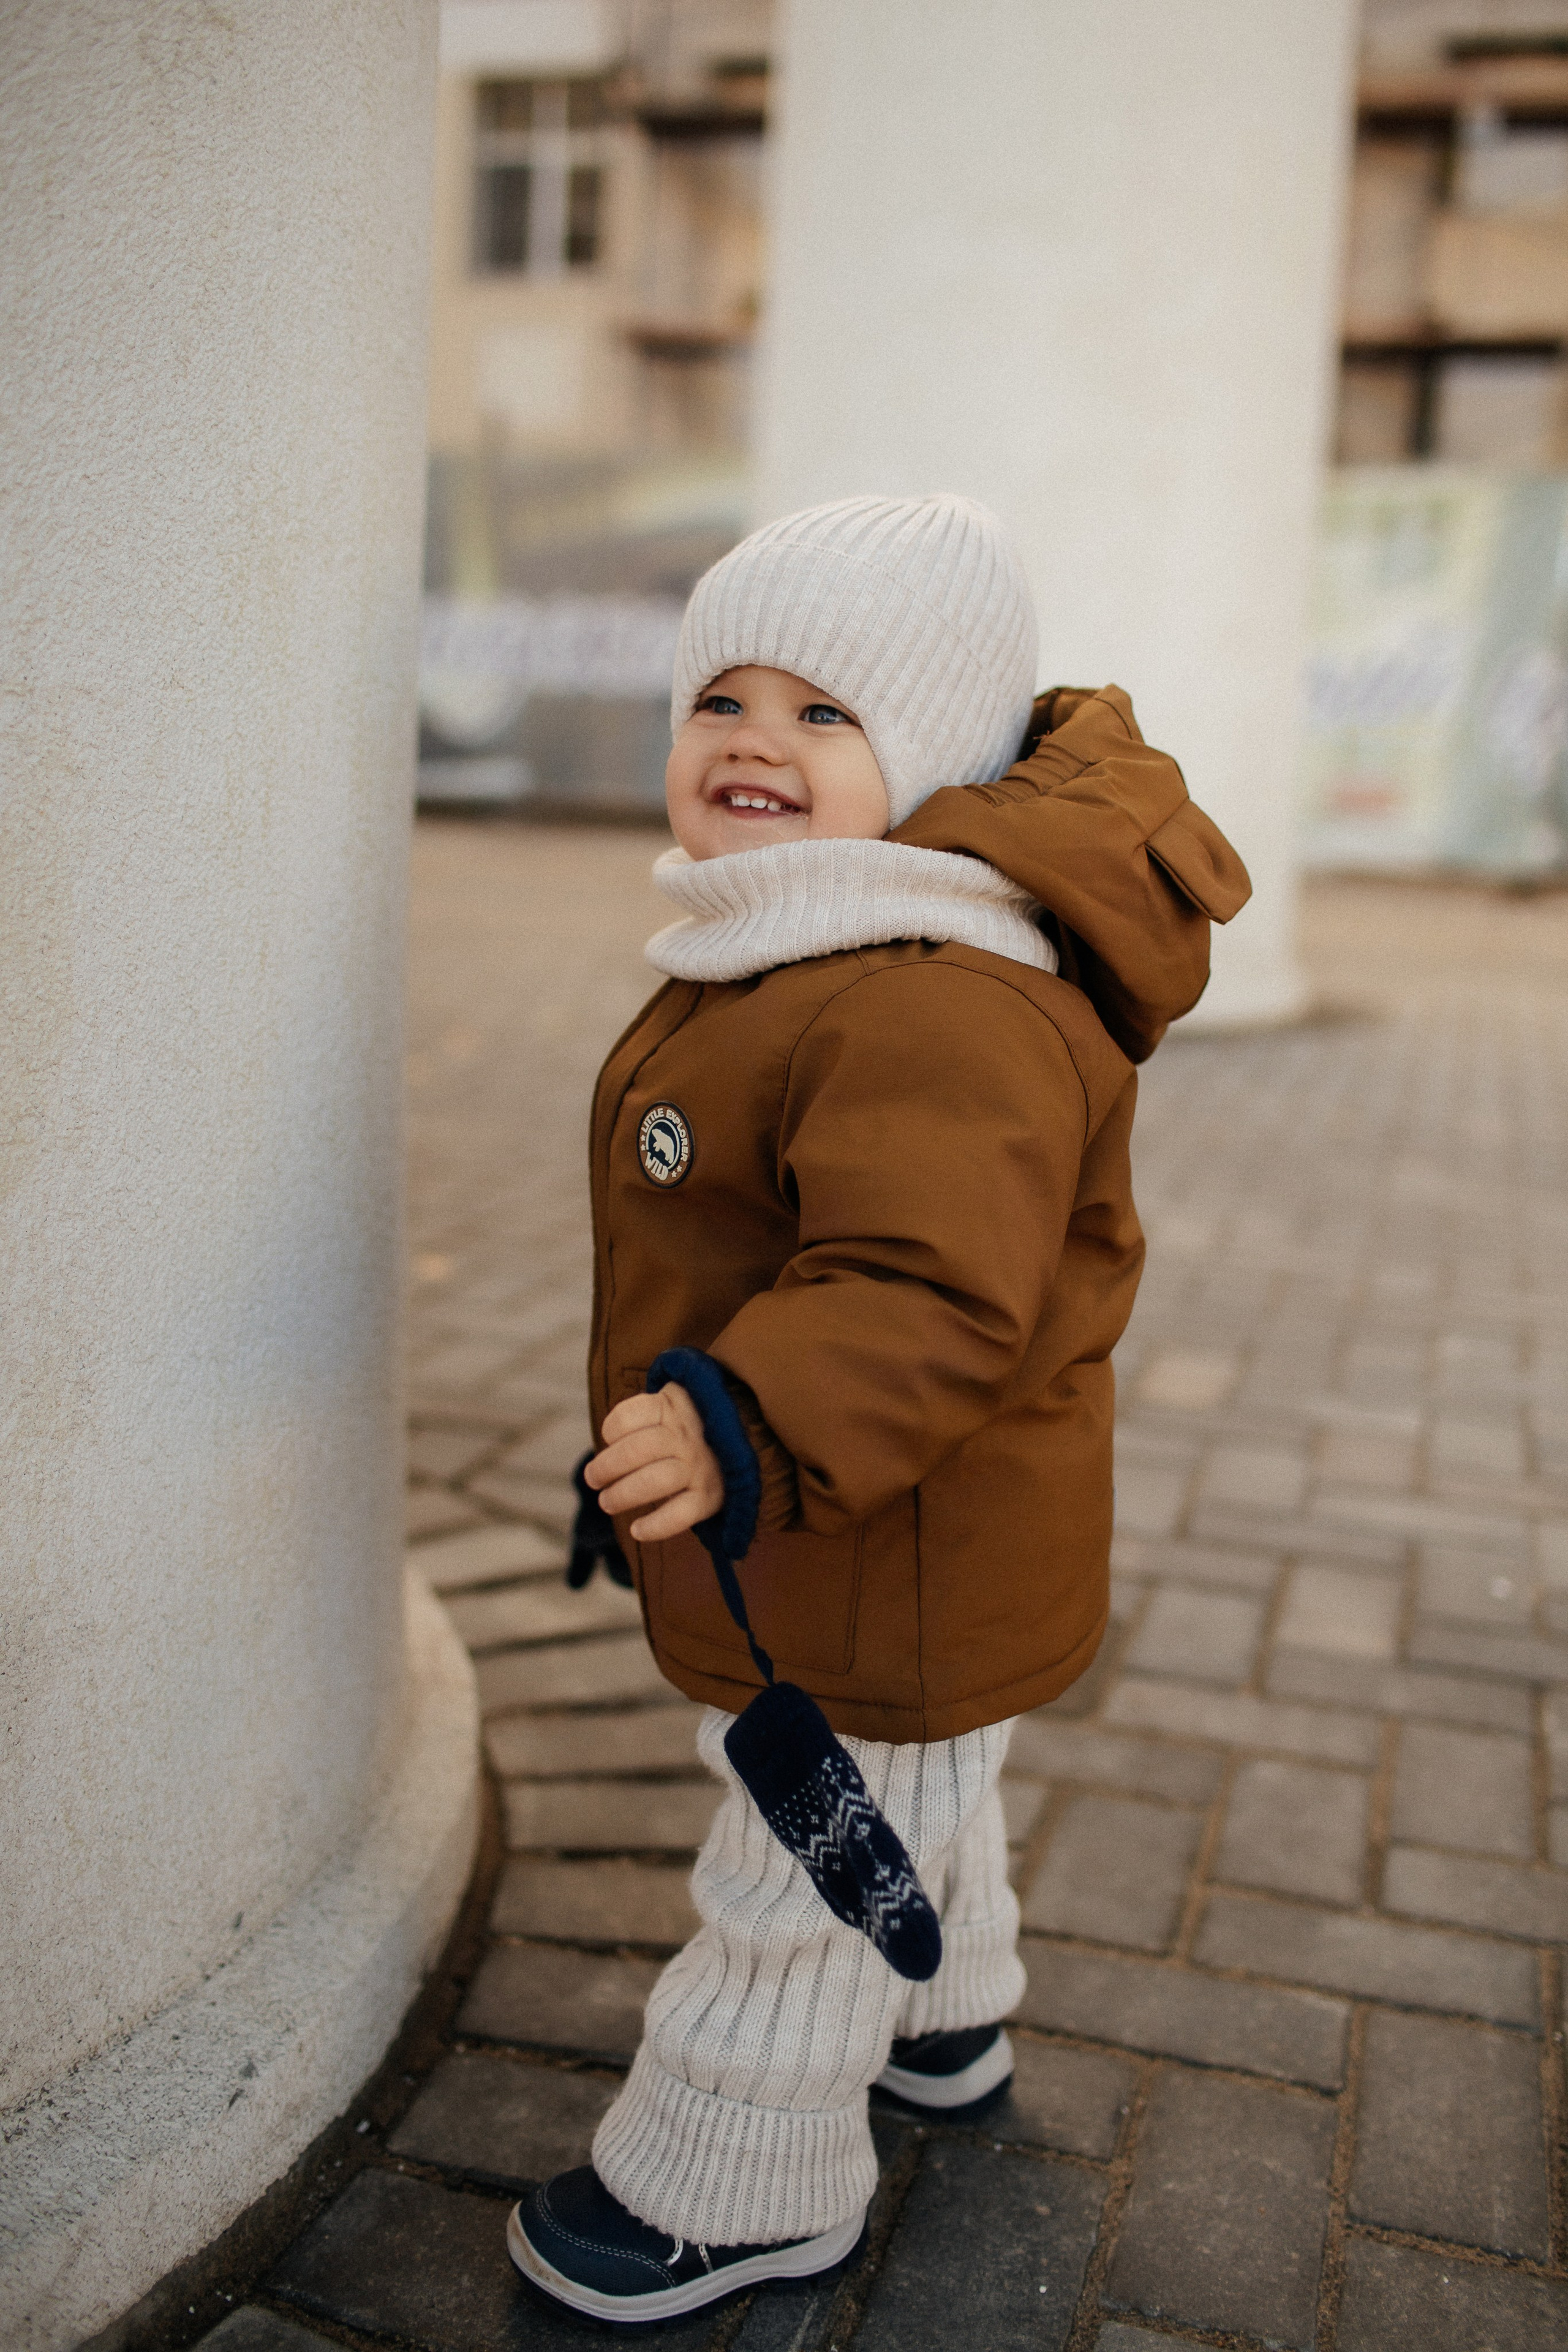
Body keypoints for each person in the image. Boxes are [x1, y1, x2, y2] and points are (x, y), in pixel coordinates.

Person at [506, 494, 1250, 2324]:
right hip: (895, 1525)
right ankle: (944, 2014)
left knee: (807, 1851)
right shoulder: (832, 930)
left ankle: (747, 2166)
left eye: (828, 713)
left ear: (932, 758)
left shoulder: (931, 989)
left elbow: (929, 1281)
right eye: (723, 699)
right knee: (922, 1793)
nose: (757, 740)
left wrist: (741, 1417)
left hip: (875, 1528)